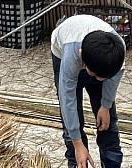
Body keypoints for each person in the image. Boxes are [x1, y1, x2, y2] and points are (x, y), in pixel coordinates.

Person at [52, 14, 126, 168]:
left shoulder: (116, 50)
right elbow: (67, 98)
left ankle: (112, 162)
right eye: (95, 76)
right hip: (63, 50)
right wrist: (78, 144)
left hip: (96, 57)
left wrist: (105, 105)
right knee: (73, 121)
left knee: (108, 123)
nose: (99, 80)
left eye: (103, 77)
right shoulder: (71, 57)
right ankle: (77, 161)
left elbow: (115, 75)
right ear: (83, 62)